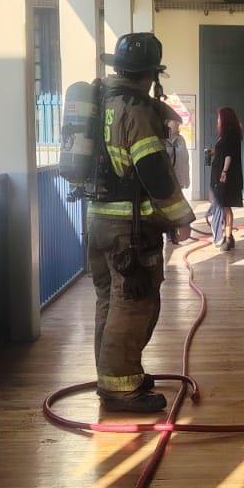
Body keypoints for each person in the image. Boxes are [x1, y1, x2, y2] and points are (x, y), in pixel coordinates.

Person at [87, 33, 194, 413]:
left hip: (98, 221)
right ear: (151, 74)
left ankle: (115, 376)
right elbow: (154, 173)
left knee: (109, 301)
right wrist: (181, 218)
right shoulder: (136, 110)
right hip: (128, 230)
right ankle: (121, 390)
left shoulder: (103, 101)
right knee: (134, 304)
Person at [205, 107, 244, 251]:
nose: (218, 120)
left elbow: (229, 155)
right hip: (223, 176)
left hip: (226, 177)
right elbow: (224, 152)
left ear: (225, 118)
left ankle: (228, 239)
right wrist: (214, 153)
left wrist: (224, 171)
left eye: (219, 118)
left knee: (226, 207)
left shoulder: (230, 133)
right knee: (224, 206)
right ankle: (229, 237)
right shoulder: (228, 134)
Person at [163, 119, 190, 245]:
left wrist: (186, 179)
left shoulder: (181, 140)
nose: (178, 124)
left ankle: (174, 231)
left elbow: (185, 161)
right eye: (175, 122)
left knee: (177, 206)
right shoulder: (163, 141)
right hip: (167, 179)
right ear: (168, 124)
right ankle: (171, 233)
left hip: (178, 179)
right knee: (169, 206)